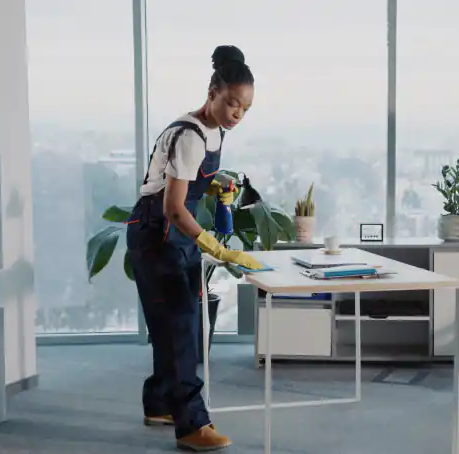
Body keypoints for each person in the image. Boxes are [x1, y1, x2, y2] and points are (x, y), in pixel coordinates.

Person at [125, 45, 264, 451]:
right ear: (212, 93)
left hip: (170, 231)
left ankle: (160, 403)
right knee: (182, 329)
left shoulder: (214, 130)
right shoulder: (188, 135)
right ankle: (191, 425)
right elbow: (172, 207)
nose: (237, 114)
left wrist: (216, 183)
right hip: (158, 232)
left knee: (175, 325)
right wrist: (216, 249)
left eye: (245, 109)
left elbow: (189, 182)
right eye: (232, 103)